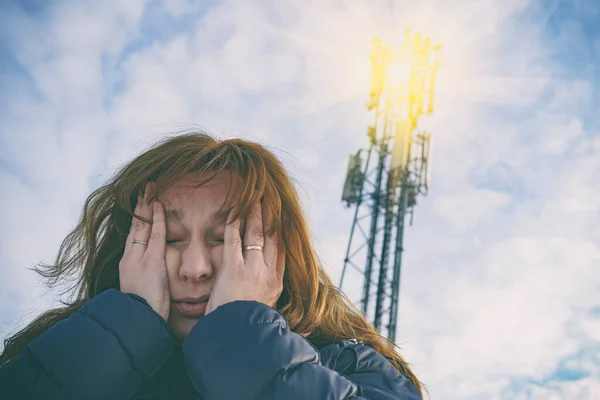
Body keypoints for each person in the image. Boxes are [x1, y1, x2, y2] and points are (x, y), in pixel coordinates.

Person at [0, 133, 424, 399]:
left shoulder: (353, 368)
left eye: (224, 239)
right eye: (170, 238)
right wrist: (124, 328)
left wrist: (241, 333)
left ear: (279, 252)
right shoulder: (52, 351)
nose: (195, 268)